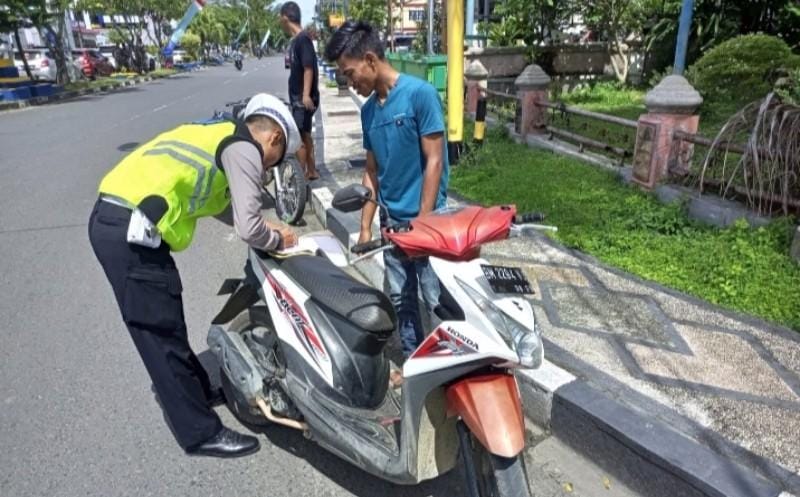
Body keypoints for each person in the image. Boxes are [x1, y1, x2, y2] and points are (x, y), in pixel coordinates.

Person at [88, 93, 301, 458]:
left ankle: (199, 392)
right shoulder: (245, 148)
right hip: (127, 231)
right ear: (274, 140)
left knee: (168, 320)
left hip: (126, 225)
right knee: (158, 334)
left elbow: (226, 212)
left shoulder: (219, 134)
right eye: (273, 163)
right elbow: (249, 229)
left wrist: (265, 228)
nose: (266, 171)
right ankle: (200, 433)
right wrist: (275, 237)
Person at [324, 22, 449, 366]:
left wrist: (423, 222)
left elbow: (435, 159)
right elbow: (371, 171)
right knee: (401, 298)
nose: (350, 82)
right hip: (391, 224)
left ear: (369, 59)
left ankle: (450, 369)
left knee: (436, 298)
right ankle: (414, 364)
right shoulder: (368, 111)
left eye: (350, 73)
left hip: (427, 222)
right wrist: (365, 226)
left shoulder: (419, 94)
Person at [280, 1, 320, 181]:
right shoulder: (298, 40)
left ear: (285, 18)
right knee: (305, 135)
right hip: (299, 98)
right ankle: (311, 170)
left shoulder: (302, 39)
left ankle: (300, 179)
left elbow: (308, 68)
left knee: (299, 139)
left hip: (302, 100)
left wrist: (305, 95)